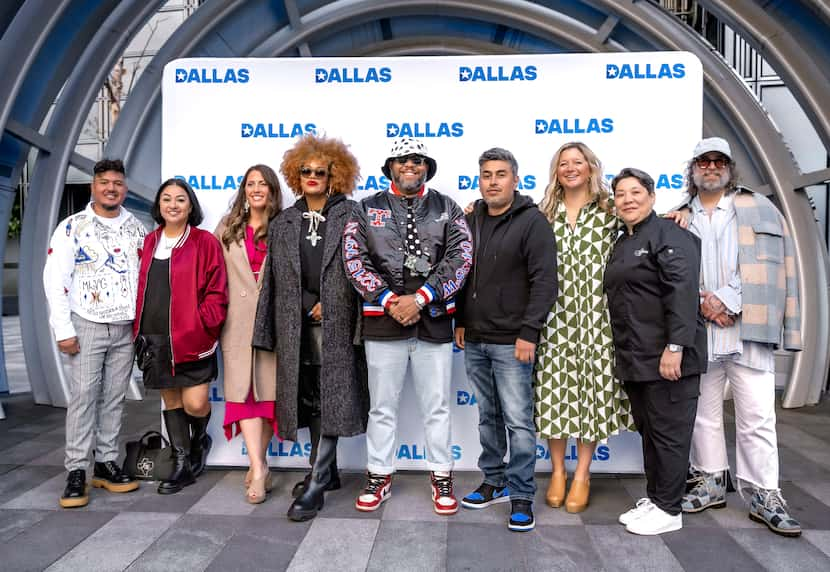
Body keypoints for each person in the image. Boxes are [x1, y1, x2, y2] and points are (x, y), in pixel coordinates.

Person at [677, 137, 803, 537]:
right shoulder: (678, 216)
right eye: (703, 161)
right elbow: (671, 273)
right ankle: (712, 481)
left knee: (758, 417)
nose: (711, 167)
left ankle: (764, 494)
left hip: (747, 329)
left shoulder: (759, 209)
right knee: (703, 414)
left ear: (730, 169)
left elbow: (772, 268)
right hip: (701, 332)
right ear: (693, 169)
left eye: (719, 162)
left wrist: (728, 301)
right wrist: (703, 303)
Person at [343, 136, 472, 515]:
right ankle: (379, 475)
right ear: (390, 168)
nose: (409, 166)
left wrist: (421, 298)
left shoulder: (447, 208)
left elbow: (460, 259)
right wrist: (388, 300)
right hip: (383, 323)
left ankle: (442, 476)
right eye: (401, 161)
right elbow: (354, 260)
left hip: (432, 321)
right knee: (382, 408)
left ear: (426, 167)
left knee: (437, 407)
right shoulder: (366, 209)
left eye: (416, 160)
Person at [253, 134, 368, 522]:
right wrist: (303, 306)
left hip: (338, 325)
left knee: (331, 395)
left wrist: (330, 305)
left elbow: (363, 269)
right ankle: (328, 471)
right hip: (295, 325)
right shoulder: (284, 221)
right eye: (306, 171)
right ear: (295, 174)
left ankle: (317, 481)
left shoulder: (353, 214)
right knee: (311, 399)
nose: (313, 176)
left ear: (336, 175)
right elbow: (276, 278)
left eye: (322, 171)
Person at [454, 148, 558, 532]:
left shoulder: (533, 222)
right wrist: (462, 321)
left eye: (501, 174)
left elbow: (545, 282)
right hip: (476, 337)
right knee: (488, 417)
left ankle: (521, 495)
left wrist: (529, 332)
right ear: (478, 180)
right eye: (486, 174)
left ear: (516, 179)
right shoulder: (470, 220)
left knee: (518, 421)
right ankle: (493, 480)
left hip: (514, 341)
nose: (493, 181)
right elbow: (462, 275)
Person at [533, 142, 634, 513]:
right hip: (554, 319)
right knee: (554, 393)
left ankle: (583, 473)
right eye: (564, 163)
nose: (571, 168)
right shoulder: (544, 212)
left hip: (597, 319)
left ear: (591, 167)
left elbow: (646, 219)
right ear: (556, 170)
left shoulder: (611, 210)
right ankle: (558, 470)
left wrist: (683, 213)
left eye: (578, 162)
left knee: (590, 393)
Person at [605, 167, 707, 535]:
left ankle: (670, 509)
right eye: (620, 194)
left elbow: (681, 294)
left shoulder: (670, 234)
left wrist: (675, 347)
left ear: (651, 195)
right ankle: (657, 497)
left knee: (670, 434)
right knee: (651, 432)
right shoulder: (623, 239)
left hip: (670, 357)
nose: (628, 199)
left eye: (636, 192)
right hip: (636, 358)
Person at [43, 158, 145, 508]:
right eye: (104, 182)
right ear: (93, 187)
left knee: (115, 397)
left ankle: (105, 462)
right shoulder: (72, 227)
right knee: (84, 396)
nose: (111, 188)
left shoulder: (137, 228)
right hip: (86, 322)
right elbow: (55, 281)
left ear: (125, 189)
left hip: (125, 327)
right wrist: (63, 329)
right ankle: (77, 470)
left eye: (117, 182)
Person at [134, 178, 228, 494]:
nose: (173, 205)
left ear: (191, 207)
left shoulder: (204, 242)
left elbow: (217, 290)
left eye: (180, 200)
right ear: (159, 205)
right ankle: (181, 463)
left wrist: (205, 324)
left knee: (196, 402)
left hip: (191, 338)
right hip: (154, 336)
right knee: (172, 400)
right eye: (167, 199)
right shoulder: (149, 242)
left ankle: (199, 440)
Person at [215, 165, 281, 504]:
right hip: (237, 323)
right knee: (244, 395)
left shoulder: (284, 225)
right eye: (250, 183)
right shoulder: (226, 227)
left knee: (268, 396)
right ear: (243, 189)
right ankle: (258, 467)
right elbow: (212, 275)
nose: (256, 189)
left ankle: (259, 464)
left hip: (274, 323)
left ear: (272, 189)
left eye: (262, 184)